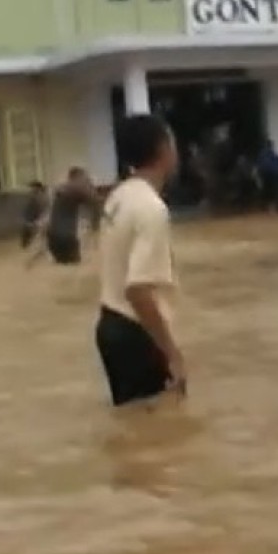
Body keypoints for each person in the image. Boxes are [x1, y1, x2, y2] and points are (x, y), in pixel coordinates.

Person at [96, 114, 185, 407]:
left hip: (109, 324)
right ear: (162, 149)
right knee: (163, 434)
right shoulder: (151, 208)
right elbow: (138, 290)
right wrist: (172, 352)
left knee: (137, 434)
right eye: (172, 141)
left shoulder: (118, 197)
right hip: (136, 333)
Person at [36, 167, 101, 266]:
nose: (87, 178)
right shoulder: (78, 186)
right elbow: (96, 203)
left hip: (53, 239)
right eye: (85, 176)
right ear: (79, 176)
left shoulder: (60, 188)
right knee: (74, 263)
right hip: (67, 239)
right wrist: (96, 225)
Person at [20, 180, 47, 249]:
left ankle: (41, 246)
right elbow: (29, 208)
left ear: (38, 188)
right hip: (35, 217)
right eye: (32, 187)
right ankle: (39, 245)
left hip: (40, 216)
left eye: (33, 187)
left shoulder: (41, 196)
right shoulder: (34, 196)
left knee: (38, 231)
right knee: (35, 231)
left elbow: (42, 207)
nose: (31, 189)